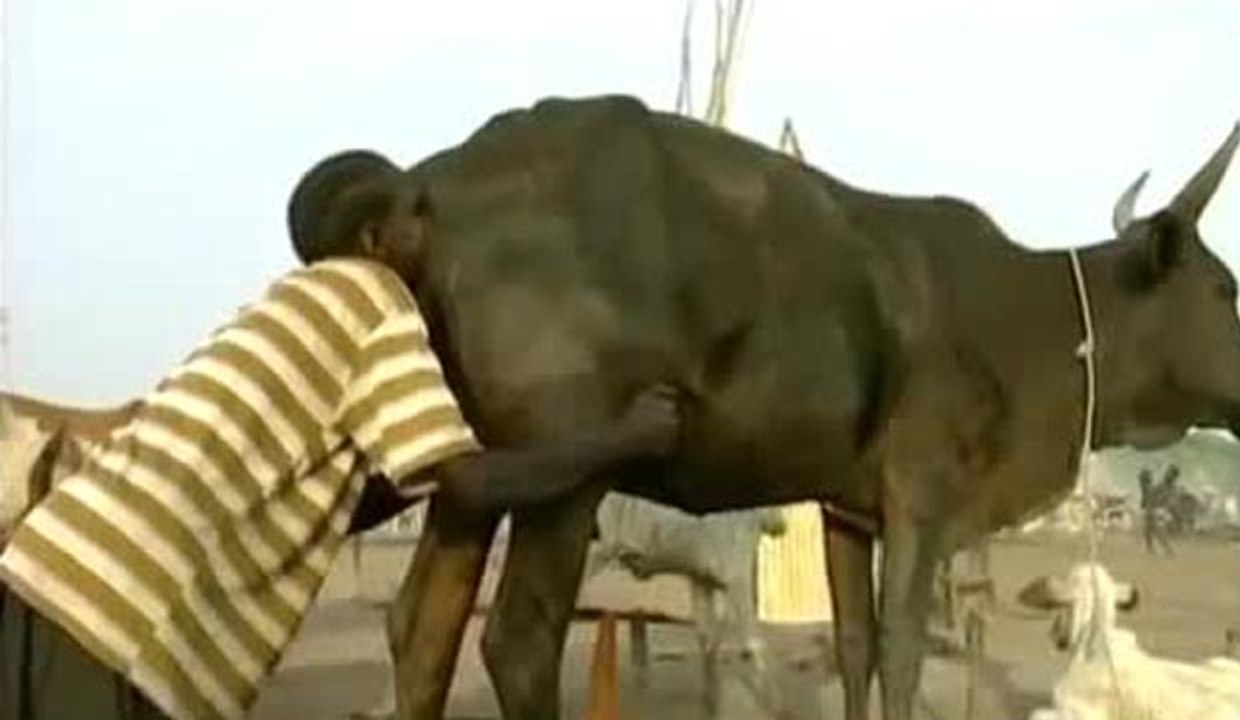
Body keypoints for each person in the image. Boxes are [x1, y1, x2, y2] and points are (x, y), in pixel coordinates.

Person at [0, 149, 682, 720]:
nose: (433, 228)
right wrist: (621, 441)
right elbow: (469, 482)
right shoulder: (376, 301)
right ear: (372, 241)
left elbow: (326, 493)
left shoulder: (281, 308)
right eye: (417, 211)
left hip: (42, 573)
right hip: (124, 620)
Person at [1138, 467, 1173, 556]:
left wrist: (1151, 508)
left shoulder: (1152, 487)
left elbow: (1153, 498)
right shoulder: (1149, 487)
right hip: (1152, 509)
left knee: (1156, 530)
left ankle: (1167, 549)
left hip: (1154, 510)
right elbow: (1147, 499)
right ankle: (1151, 548)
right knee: (1148, 530)